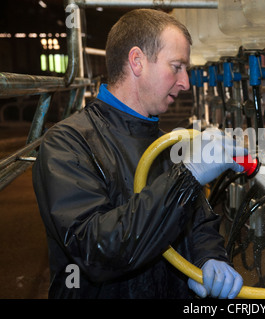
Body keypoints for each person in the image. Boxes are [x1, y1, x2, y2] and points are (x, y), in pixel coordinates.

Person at [32, 8, 244, 299]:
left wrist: (208, 257)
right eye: (176, 66)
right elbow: (98, 250)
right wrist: (188, 178)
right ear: (137, 61)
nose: (186, 83)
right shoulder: (67, 143)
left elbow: (199, 222)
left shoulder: (168, 147)